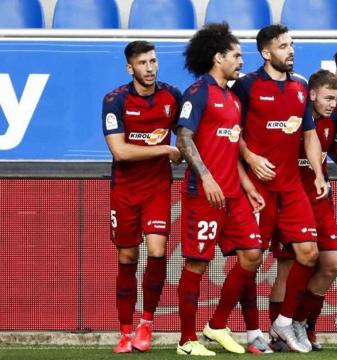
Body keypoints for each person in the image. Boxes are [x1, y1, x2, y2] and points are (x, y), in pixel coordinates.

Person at [174, 23, 271, 356]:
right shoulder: (198, 92)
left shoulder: (232, 98)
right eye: (236, 55)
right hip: (205, 195)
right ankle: (186, 341)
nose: (241, 62)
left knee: (253, 254)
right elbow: (183, 138)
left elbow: (232, 148)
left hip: (233, 195)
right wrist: (206, 178)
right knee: (197, 264)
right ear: (218, 57)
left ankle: (216, 324)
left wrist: (246, 186)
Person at [231, 24, 329, 353]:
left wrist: (317, 172)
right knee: (252, 259)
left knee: (308, 253)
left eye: (292, 44)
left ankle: (284, 321)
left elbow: (309, 135)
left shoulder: (301, 87)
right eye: (283, 46)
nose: (291, 50)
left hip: (291, 188)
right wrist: (249, 156)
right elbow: (232, 129)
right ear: (265, 52)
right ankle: (252, 330)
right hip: (257, 188)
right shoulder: (246, 86)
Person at [102, 40, 182, 353]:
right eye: (142, 63)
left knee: (158, 251)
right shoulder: (115, 100)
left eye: (152, 61)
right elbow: (119, 151)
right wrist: (165, 148)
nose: (149, 68)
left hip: (157, 188)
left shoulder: (171, 96)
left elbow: (186, 132)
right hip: (124, 190)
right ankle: (124, 331)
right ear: (130, 68)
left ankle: (146, 324)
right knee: (127, 258)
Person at [285, 70, 337, 351]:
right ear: (312, 94)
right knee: (288, 267)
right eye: (328, 97)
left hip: (321, 201)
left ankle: (301, 321)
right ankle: (280, 329)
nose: (333, 103)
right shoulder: (293, 120)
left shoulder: (332, 122)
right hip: (292, 201)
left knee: (332, 263)